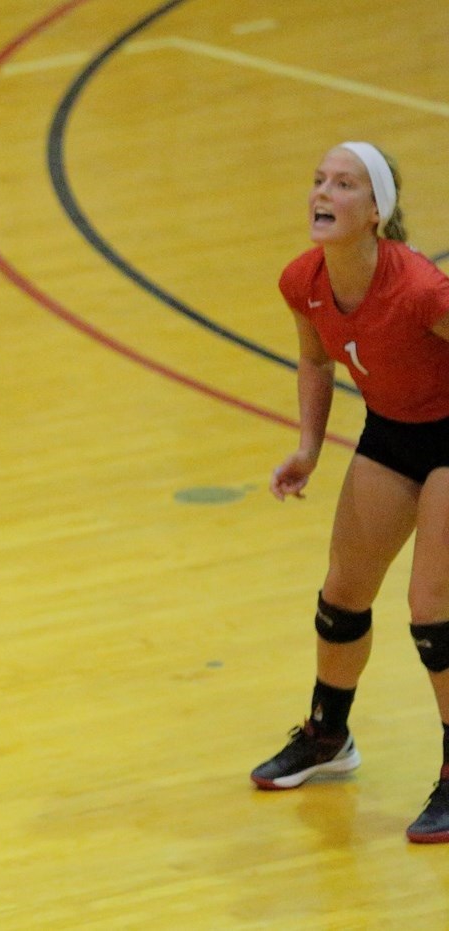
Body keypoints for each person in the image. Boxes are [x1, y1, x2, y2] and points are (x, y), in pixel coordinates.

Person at [248, 142, 449, 844]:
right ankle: (328, 735)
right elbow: (312, 355)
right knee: (342, 595)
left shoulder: (422, 288)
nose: (322, 192)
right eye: (318, 180)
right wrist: (306, 446)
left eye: (344, 183)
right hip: (393, 432)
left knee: (432, 610)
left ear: (376, 212)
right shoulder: (302, 278)